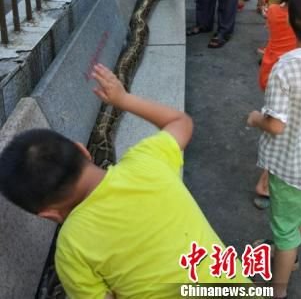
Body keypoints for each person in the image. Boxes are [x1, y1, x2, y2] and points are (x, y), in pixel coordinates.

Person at [0, 64, 251, 298]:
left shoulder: (70, 248)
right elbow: (181, 122)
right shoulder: (147, 161)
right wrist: (123, 100)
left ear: (48, 214)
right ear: (83, 150)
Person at [247, 0, 301, 299]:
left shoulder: (287, 66)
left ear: (291, 21)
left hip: (292, 170)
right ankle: (292, 253)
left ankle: (279, 290)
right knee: (298, 221)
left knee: (284, 230)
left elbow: (276, 125)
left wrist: (255, 118)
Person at [254, 0, 301, 210]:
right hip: (287, 75)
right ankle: (265, 182)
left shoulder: (273, 12)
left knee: (279, 117)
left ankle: (266, 180)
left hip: (271, 71)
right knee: (287, 123)